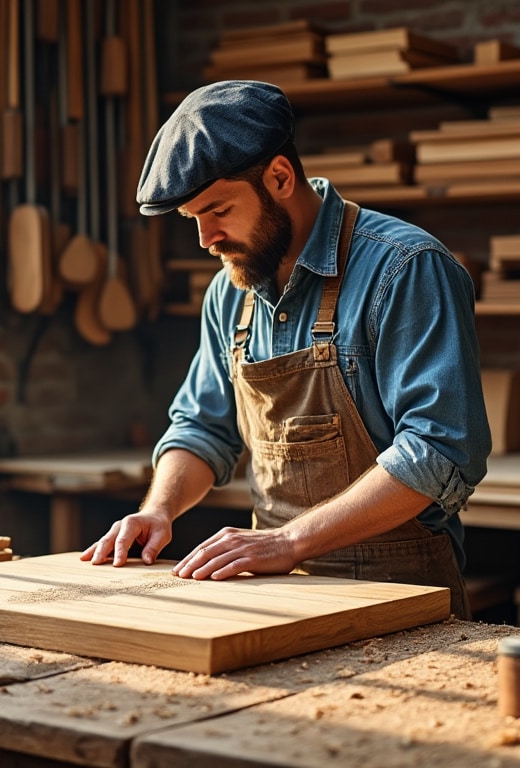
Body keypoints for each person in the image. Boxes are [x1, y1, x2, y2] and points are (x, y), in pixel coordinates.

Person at [79, 80, 489, 618]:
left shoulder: (405, 268)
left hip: (400, 594)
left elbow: (439, 450)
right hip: (271, 595)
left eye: (218, 210)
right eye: (193, 220)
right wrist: (159, 510)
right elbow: (203, 428)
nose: (206, 239)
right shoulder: (231, 292)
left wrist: (289, 542)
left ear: (279, 177)